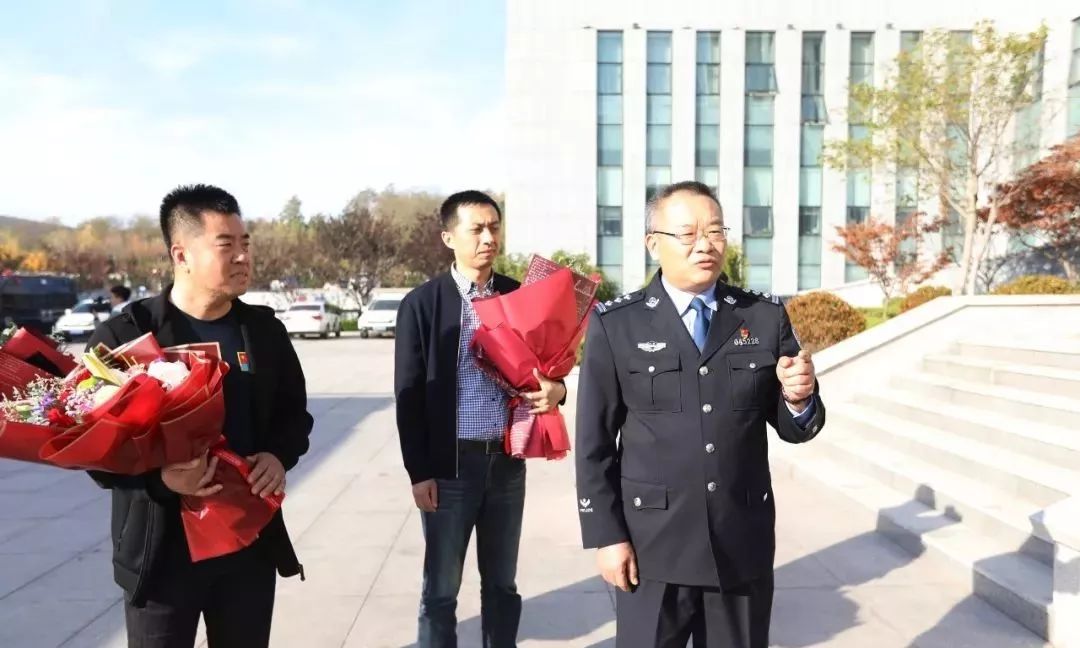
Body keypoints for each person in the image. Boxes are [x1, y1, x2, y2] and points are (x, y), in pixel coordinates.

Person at [575, 181, 826, 648]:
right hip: (653, 547)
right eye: (687, 234)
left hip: (740, 542)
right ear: (654, 243)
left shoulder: (764, 316)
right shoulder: (617, 324)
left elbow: (797, 426)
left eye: (715, 231)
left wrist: (799, 397)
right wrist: (607, 537)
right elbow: (593, 446)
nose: (705, 245)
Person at [87, 184, 313, 648]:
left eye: (245, 243)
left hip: (246, 543)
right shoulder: (126, 336)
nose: (242, 256)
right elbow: (96, 452)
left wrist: (277, 454)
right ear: (181, 254)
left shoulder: (263, 332)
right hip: (162, 553)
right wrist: (162, 482)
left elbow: (294, 416)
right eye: (225, 245)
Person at [394, 190, 567, 648]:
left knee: (502, 585)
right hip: (450, 467)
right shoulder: (423, 304)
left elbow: (550, 370)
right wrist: (420, 472)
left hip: (507, 464)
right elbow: (407, 397)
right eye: (477, 228)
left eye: (494, 226)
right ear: (449, 237)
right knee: (441, 590)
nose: (488, 236)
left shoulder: (520, 295)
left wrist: (558, 391)